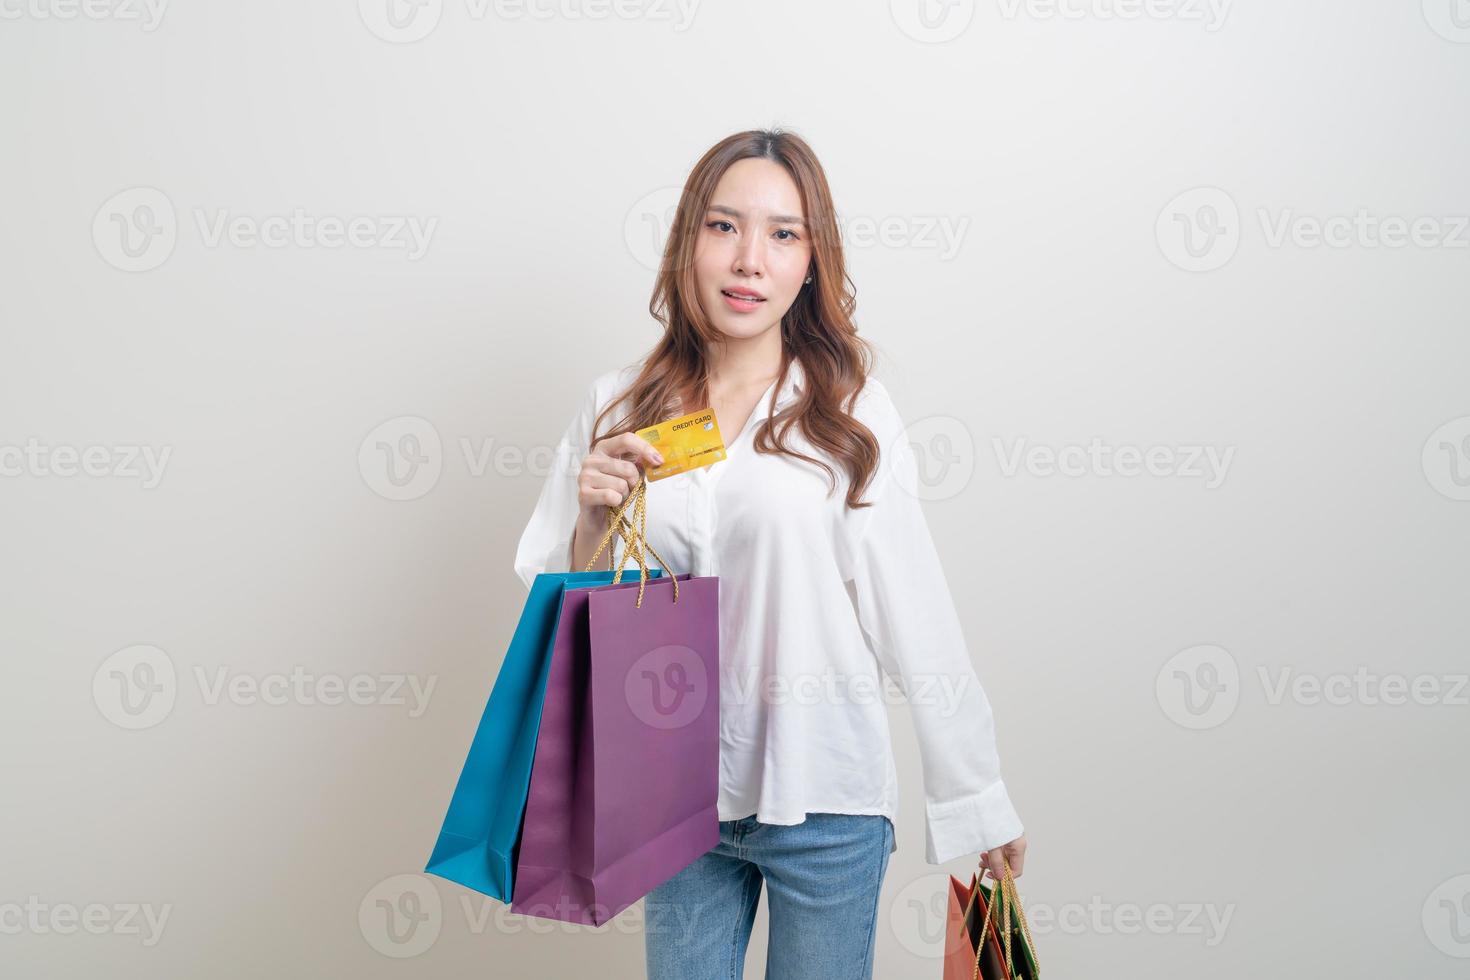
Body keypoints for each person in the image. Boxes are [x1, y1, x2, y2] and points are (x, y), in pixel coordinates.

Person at [513, 128, 1027, 980]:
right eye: (723, 226)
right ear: (688, 242)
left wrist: (975, 798)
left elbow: (916, 613)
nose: (750, 259)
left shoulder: (851, 413)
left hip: (825, 798)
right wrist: (594, 521)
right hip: (675, 800)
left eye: (783, 234)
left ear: (812, 260)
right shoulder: (616, 407)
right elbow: (562, 612)